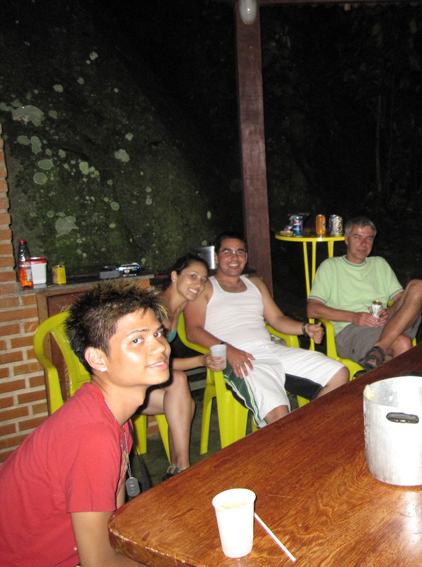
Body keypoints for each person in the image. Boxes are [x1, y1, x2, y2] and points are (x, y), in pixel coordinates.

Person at [0, 280, 169, 567]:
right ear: (97, 359)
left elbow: (114, 521)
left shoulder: (112, 415)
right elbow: (100, 563)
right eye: (137, 340)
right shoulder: (92, 436)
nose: (160, 347)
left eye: (157, 333)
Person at [184, 232, 349, 426]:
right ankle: (291, 436)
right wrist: (228, 350)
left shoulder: (255, 283)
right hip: (237, 359)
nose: (234, 257)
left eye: (240, 252)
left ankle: (309, 428)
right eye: (227, 252)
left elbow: (277, 319)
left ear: (246, 257)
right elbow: (193, 331)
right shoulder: (205, 287)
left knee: (339, 373)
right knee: (279, 413)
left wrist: (305, 328)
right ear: (217, 257)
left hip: (271, 349)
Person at [307, 216, 422, 371]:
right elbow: (313, 309)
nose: (363, 244)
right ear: (346, 239)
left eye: (369, 238)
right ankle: (382, 362)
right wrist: (354, 317)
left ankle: (378, 351)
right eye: (357, 237)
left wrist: (389, 311)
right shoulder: (330, 267)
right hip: (351, 331)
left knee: (419, 285)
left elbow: (401, 300)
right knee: (402, 343)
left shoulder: (380, 264)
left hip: (389, 323)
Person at [138, 253, 215, 479]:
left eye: (203, 279)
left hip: (149, 378)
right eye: (193, 276)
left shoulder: (178, 309)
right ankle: (183, 468)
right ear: (174, 276)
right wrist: (200, 361)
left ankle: (175, 470)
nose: (198, 284)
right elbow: (150, 363)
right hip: (131, 381)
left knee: (184, 405)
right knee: (179, 381)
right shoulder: (155, 311)